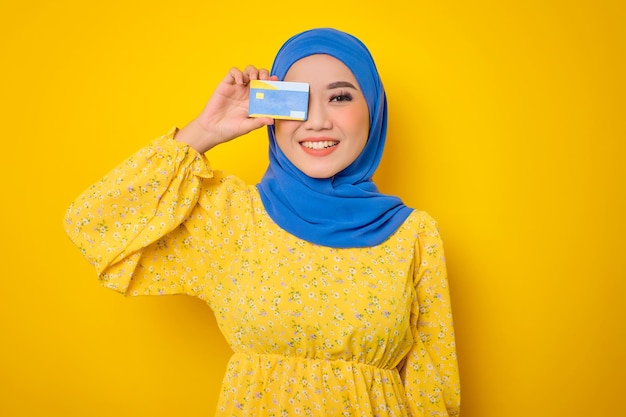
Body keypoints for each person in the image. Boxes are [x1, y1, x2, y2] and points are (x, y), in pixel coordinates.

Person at [64, 28, 460, 417]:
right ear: (271, 108)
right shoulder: (232, 216)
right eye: (297, 99)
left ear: (373, 108)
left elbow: (432, 390)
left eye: (339, 97)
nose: (318, 121)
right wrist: (205, 130)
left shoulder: (414, 235)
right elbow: (95, 222)